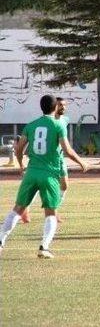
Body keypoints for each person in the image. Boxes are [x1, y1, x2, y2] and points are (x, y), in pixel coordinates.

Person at [0, 95, 88, 258]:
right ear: (55, 107)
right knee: (51, 213)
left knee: (17, 209)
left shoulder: (31, 125)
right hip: (49, 174)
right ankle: (44, 247)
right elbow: (67, 150)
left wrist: (21, 165)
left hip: (31, 172)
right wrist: (82, 162)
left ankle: (1, 241)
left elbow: (19, 149)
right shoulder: (58, 125)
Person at [20, 97, 70, 224]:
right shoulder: (45, 122)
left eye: (64, 105)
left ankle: (55, 210)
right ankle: (26, 208)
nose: (63, 107)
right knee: (38, 185)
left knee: (64, 185)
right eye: (60, 105)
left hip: (59, 159)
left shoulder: (65, 120)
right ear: (54, 107)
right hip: (46, 161)